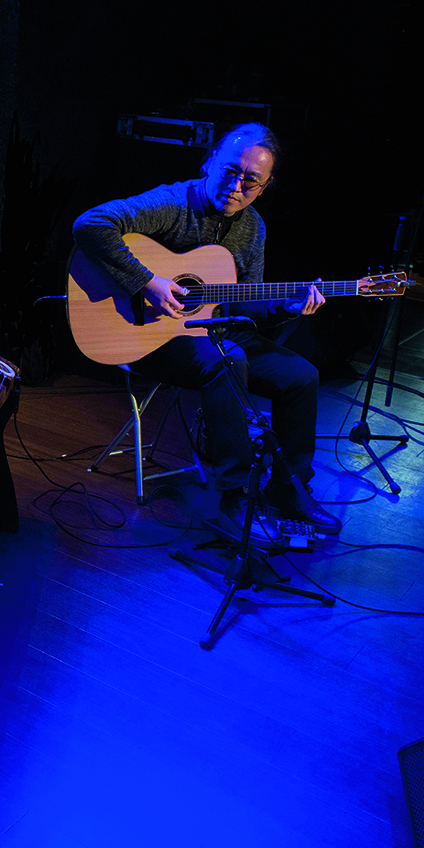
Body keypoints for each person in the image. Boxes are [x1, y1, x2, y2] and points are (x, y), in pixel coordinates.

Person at [72, 122, 341, 545]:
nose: (236, 186)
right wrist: (147, 282)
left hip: (213, 330)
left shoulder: (254, 228)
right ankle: (233, 496)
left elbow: (243, 305)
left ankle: (287, 490)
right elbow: (90, 224)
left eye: (251, 181)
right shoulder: (172, 203)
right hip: (148, 334)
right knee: (228, 359)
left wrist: (287, 307)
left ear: (265, 186)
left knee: (301, 375)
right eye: (230, 171)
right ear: (210, 162)